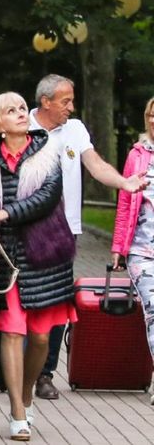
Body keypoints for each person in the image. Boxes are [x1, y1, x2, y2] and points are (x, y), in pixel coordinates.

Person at [0, 91, 75, 441]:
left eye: (22, 109)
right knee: (12, 332)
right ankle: (16, 412)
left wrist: (7, 212)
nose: (20, 114)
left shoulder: (47, 152)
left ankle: (27, 392)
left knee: (40, 338)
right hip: (5, 260)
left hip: (44, 257)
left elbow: (47, 198)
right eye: (11, 111)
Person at [28, 74, 146, 400]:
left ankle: (45, 375)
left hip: (63, 233)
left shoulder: (75, 129)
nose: (71, 106)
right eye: (65, 101)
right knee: (22, 304)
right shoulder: (20, 126)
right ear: (46, 101)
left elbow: (95, 165)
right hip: (22, 232)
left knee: (55, 303)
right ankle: (16, 369)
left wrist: (124, 182)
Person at [111, 96, 154, 404]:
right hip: (142, 248)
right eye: (151, 115)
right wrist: (117, 247)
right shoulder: (137, 155)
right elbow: (125, 203)